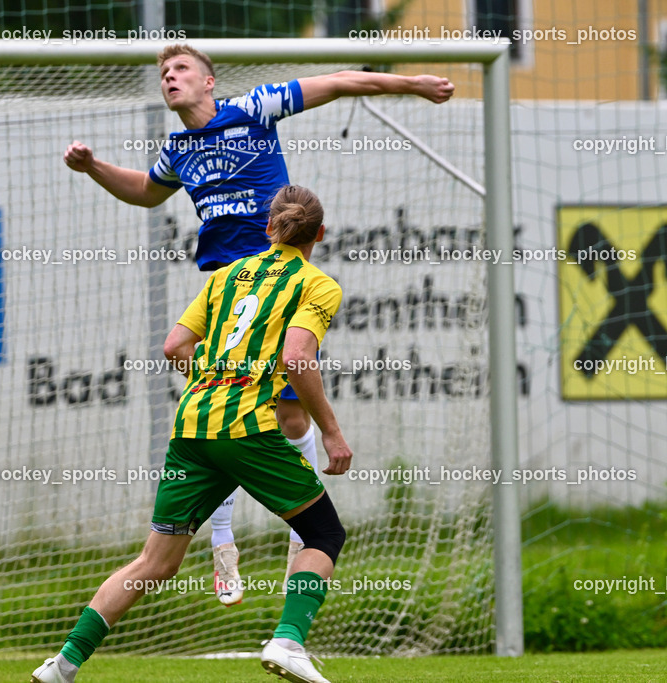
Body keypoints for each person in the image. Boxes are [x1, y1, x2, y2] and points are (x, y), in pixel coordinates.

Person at [65, 43, 451, 604]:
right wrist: (94, 166)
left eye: (180, 70)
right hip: (227, 294)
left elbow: (342, 81)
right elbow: (147, 193)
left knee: (290, 413)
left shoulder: (255, 108)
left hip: (279, 288)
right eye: (164, 72)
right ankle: (223, 543)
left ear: (209, 82)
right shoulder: (179, 149)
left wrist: (413, 84)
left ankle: (301, 532)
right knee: (224, 408)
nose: (170, 78)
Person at [33, 185, 352, 683]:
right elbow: (296, 359)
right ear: (320, 234)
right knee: (324, 533)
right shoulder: (316, 284)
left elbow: (174, 345)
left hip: (192, 424)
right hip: (246, 427)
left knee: (154, 561)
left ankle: (64, 664)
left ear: (269, 228)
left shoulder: (226, 276)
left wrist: (212, 377)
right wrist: (331, 433)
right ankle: (288, 641)